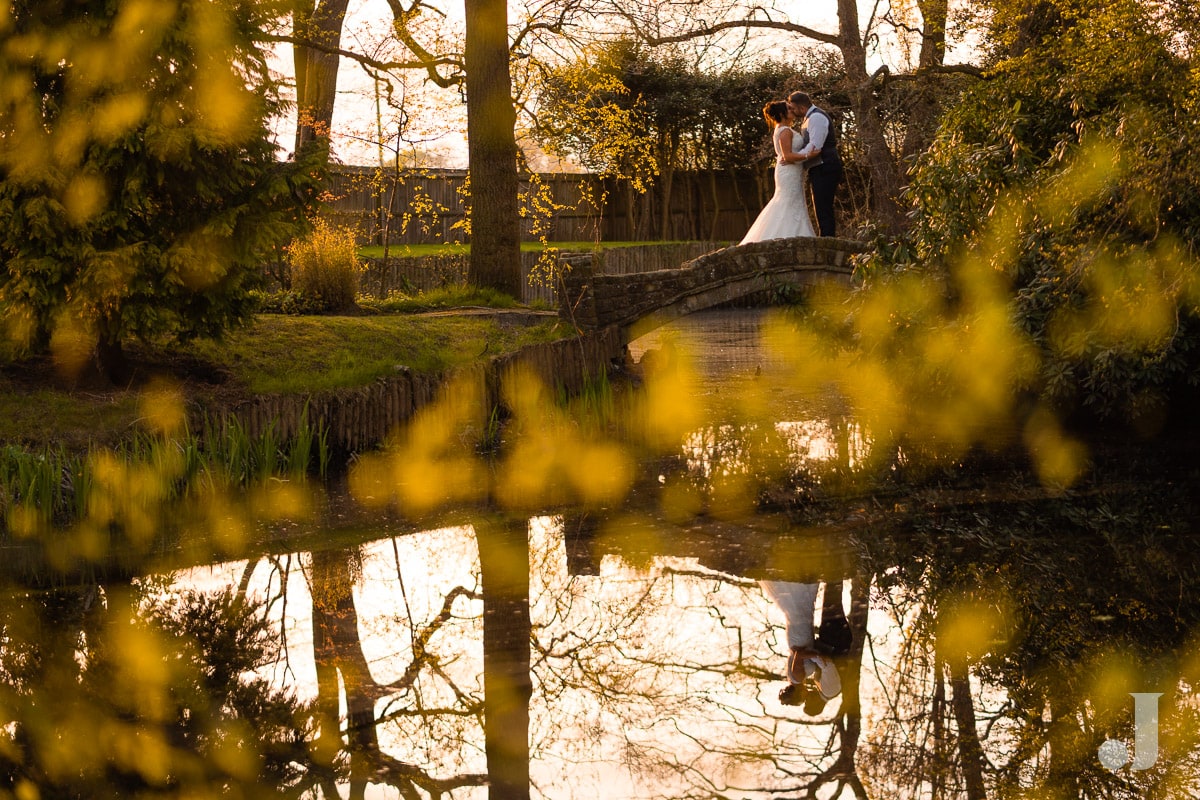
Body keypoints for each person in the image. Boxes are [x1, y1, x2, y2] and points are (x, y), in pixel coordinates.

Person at [760, 579, 851, 714]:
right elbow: (827, 665)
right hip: (834, 638)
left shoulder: (798, 678)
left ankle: (831, 574)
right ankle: (833, 574)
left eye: (804, 699)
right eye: (806, 701)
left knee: (822, 604)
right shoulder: (826, 689)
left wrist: (816, 656)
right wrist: (816, 655)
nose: (807, 697)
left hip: (810, 638)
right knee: (829, 603)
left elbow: (801, 655)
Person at [739, 100, 816, 245]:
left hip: (792, 170)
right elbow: (787, 156)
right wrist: (809, 155)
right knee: (788, 202)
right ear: (782, 114)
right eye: (789, 108)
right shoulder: (785, 131)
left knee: (793, 202)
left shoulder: (783, 129)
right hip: (789, 171)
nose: (792, 110)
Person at [786, 91, 843, 238]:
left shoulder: (816, 117)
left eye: (793, 108)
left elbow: (815, 146)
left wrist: (795, 158)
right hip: (818, 167)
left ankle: (828, 240)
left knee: (823, 207)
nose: (792, 111)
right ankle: (825, 238)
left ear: (802, 107)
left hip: (825, 166)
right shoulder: (809, 118)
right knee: (820, 207)